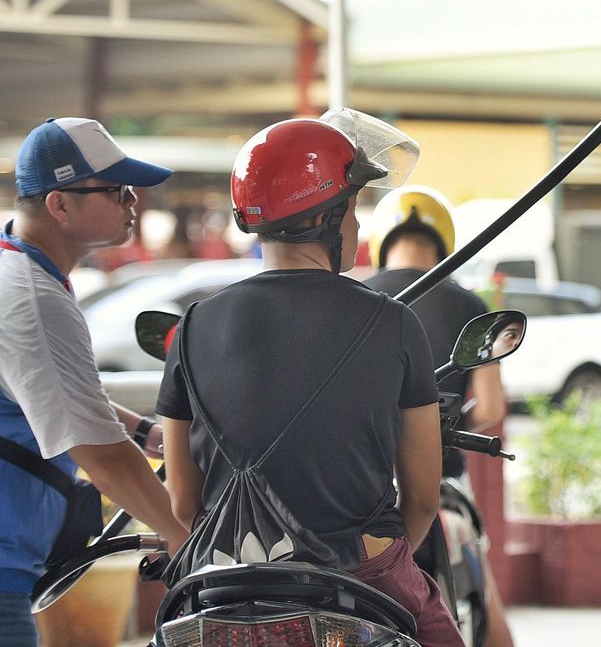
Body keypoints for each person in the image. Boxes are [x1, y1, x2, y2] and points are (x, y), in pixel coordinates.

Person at [155, 116, 463, 647]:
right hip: (361, 570)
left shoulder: (192, 327)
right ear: (326, 216)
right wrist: (382, 564)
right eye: (353, 208)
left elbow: (182, 502)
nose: (358, 228)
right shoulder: (394, 323)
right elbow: (421, 499)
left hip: (228, 580)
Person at [0, 117, 190, 645]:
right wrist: (183, 537)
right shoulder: (32, 298)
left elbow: (50, 391)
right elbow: (102, 456)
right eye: (117, 190)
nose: (133, 202)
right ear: (60, 205)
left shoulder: (18, 269)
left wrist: (145, 432)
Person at [365, 185, 516, 647]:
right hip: (444, 478)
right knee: (486, 602)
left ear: (382, 240)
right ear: (444, 242)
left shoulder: (357, 300)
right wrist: (442, 430)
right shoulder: (469, 305)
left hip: (368, 491)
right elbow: (491, 408)